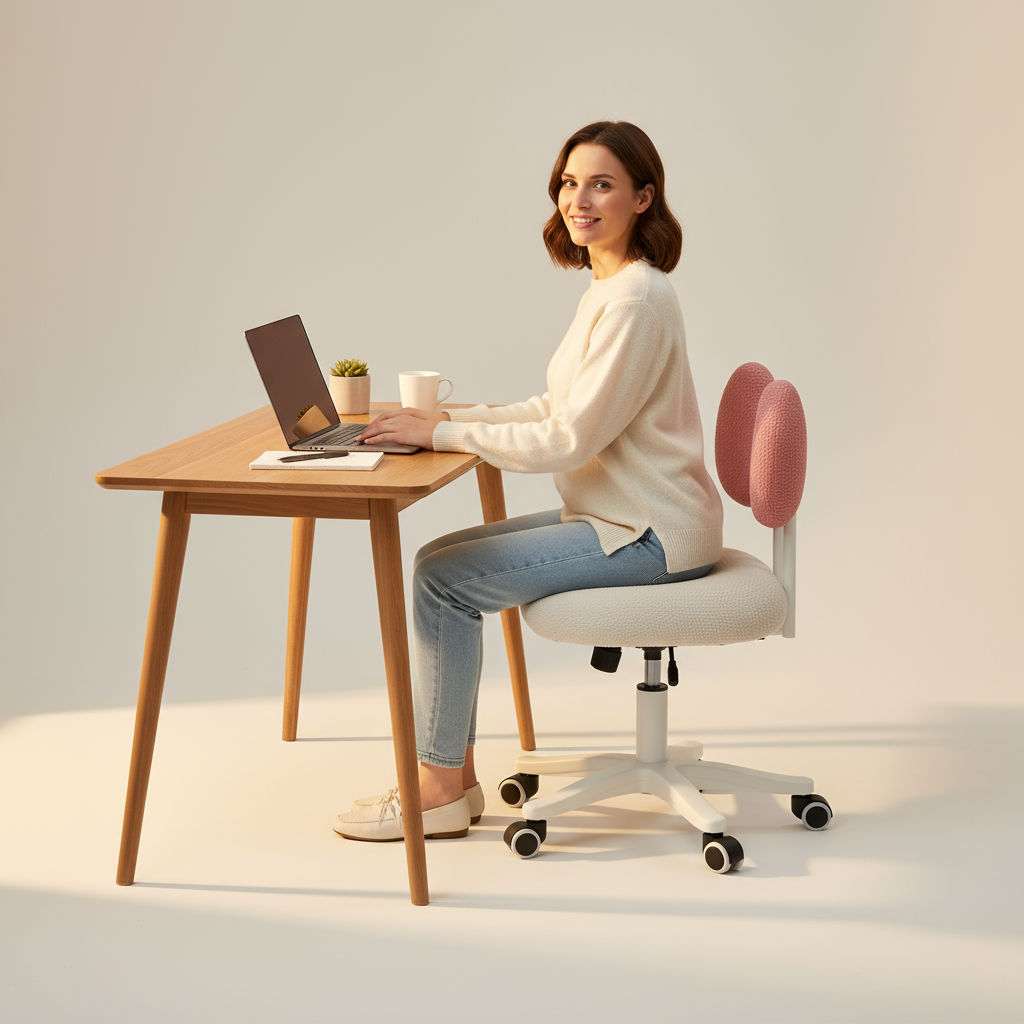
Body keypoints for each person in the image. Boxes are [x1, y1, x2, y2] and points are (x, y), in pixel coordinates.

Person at [333, 121, 724, 842]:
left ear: (643, 198)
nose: (579, 199)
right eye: (570, 182)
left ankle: (436, 791)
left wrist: (445, 436)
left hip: (651, 535)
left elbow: (568, 438)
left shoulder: (634, 301)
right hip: (628, 518)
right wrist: (453, 416)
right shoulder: (609, 289)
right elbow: (557, 408)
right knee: (435, 567)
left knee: (444, 583)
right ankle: (451, 778)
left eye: (601, 183)